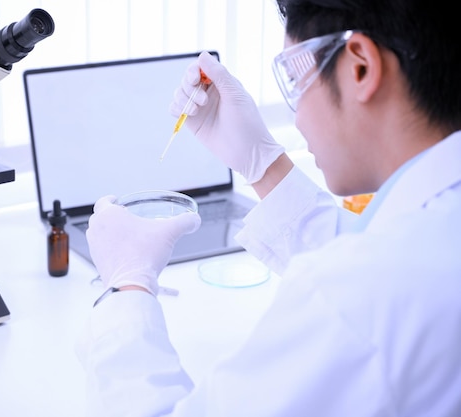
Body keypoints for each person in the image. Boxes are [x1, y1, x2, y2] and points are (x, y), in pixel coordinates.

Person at [76, 0, 461, 415]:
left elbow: (360, 290)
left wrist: (126, 290)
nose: (297, 120)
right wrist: (262, 165)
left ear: (360, 67)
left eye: (296, 79)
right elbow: (374, 250)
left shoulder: (361, 294)